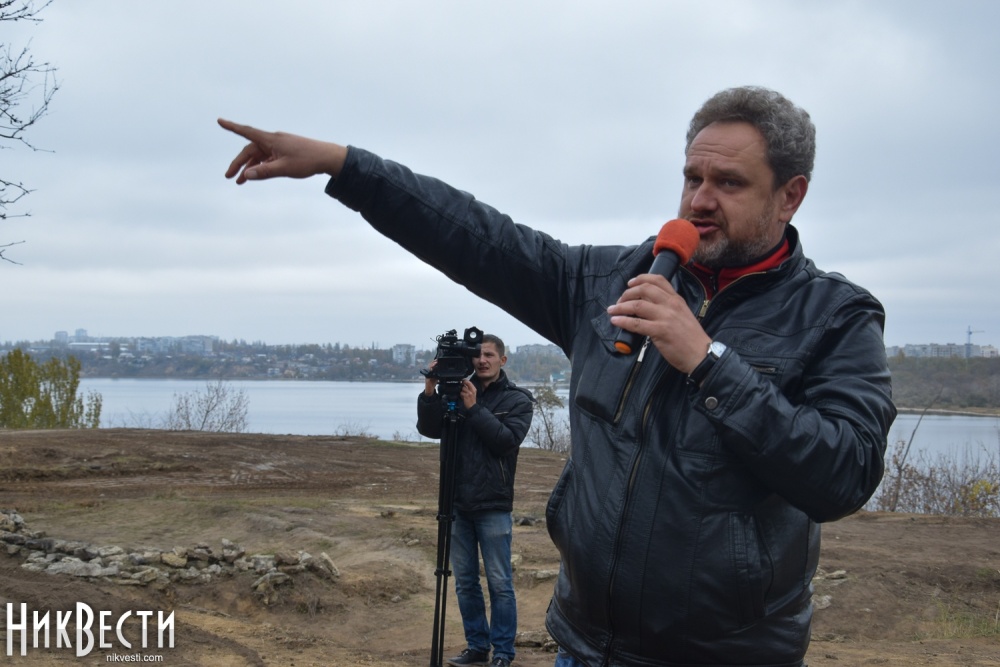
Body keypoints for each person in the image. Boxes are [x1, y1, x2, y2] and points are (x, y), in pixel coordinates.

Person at [219, 85, 896, 667]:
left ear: (790, 195)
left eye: (729, 183)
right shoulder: (607, 280)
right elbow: (476, 236)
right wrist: (345, 165)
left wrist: (708, 361)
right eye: (692, 177)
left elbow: (844, 474)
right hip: (583, 642)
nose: (700, 199)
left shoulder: (836, 317)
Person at [418, 334, 534, 667]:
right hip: (456, 502)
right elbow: (429, 429)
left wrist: (474, 408)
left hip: (493, 503)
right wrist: (430, 390)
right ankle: (477, 647)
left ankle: (503, 653)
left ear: (502, 360)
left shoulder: (518, 400)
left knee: (500, 582)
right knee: (466, 583)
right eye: (478, 355)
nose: (482, 360)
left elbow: (506, 441)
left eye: (489, 355)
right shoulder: (453, 392)